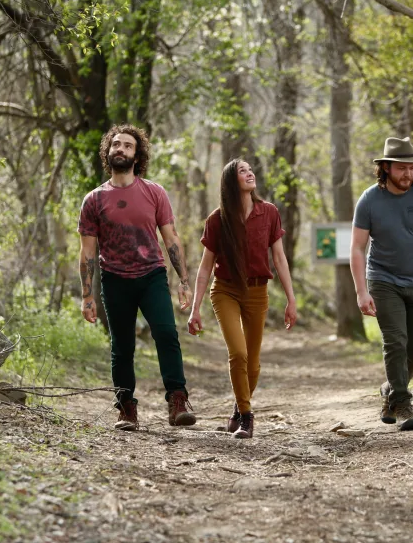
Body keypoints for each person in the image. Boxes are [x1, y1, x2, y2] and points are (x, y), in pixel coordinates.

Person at [77, 124, 196, 431]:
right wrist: (87, 296)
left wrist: (184, 281)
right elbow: (88, 252)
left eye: (127, 146)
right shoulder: (94, 200)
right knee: (122, 346)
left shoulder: (154, 192)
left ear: (137, 154)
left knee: (166, 334)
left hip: (152, 276)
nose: (120, 149)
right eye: (115, 144)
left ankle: (178, 400)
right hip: (114, 280)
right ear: (108, 151)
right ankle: (126, 408)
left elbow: (171, 238)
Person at [350, 136, 413, 431]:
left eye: (411, 168)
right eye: (401, 168)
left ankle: (390, 391)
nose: (407, 174)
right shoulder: (369, 199)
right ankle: (404, 404)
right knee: (395, 342)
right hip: (383, 280)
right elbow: (357, 247)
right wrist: (361, 291)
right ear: (385, 167)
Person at [187, 159, 297, 439]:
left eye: (250, 170)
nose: (250, 174)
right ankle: (247, 418)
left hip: (258, 292)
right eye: (242, 171)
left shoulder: (269, 213)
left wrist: (291, 299)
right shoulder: (217, 219)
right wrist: (195, 308)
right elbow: (205, 267)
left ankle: (238, 408)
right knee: (238, 353)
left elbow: (280, 258)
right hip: (225, 290)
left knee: (254, 363)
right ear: (230, 181)